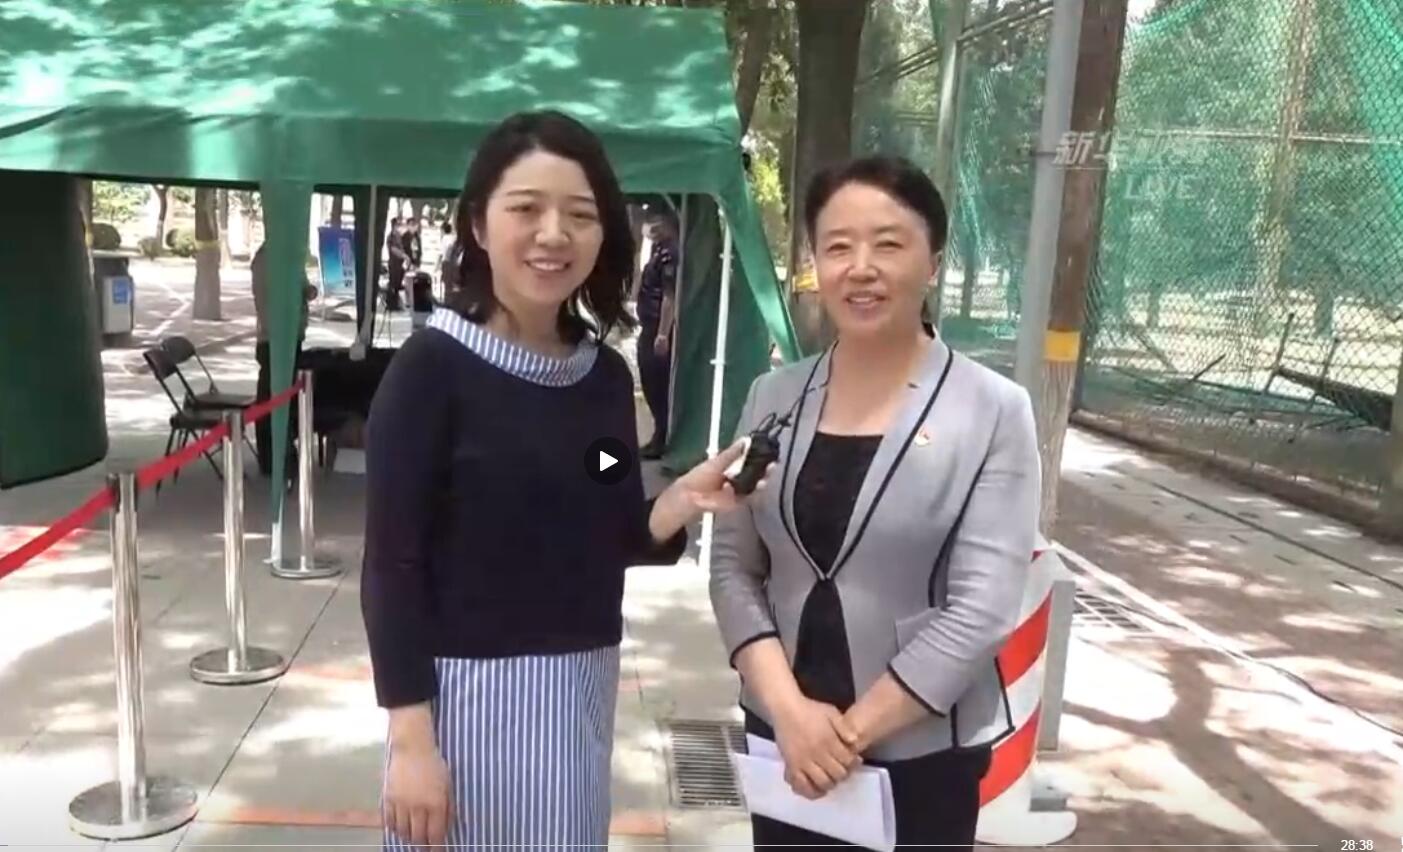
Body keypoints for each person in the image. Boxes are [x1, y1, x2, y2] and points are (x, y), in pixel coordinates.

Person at [361, 110, 769, 851]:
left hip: (579, 692)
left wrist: (681, 499)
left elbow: (606, 502)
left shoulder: (602, 381)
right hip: (461, 705)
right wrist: (411, 741)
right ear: (478, 225)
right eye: (526, 209)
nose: (554, 234)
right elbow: (392, 565)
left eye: (580, 215)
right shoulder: (431, 373)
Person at [709, 155, 1040, 851]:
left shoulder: (992, 410)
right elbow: (734, 567)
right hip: (782, 740)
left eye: (888, 244)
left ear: (933, 263)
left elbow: (981, 608)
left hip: (919, 748)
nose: (860, 268)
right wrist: (790, 715)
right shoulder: (772, 396)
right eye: (838, 247)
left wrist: (843, 737)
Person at [250, 242, 317, 477]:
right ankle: (270, 457)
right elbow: (267, 301)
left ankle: (283, 452)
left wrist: (307, 291)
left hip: (292, 337)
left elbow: (300, 286)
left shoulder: (289, 257)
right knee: (271, 401)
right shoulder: (266, 260)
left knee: (284, 401)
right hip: (274, 340)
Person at [636, 207, 678, 459]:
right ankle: (659, 435)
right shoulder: (659, 249)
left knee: (656, 383)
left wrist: (663, 334)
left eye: (654, 220)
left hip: (658, 327)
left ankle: (661, 438)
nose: (649, 226)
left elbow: (669, 297)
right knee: (650, 381)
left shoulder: (670, 252)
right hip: (650, 324)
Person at [384, 217, 407, 311]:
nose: (400, 227)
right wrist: (403, 255)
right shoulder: (391, 237)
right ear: (394, 225)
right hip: (393, 263)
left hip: (399, 264)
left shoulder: (399, 236)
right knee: (393, 284)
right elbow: (393, 249)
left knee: (397, 285)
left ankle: (395, 303)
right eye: (398, 225)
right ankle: (391, 304)